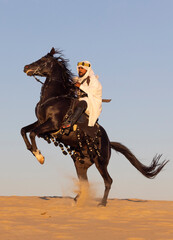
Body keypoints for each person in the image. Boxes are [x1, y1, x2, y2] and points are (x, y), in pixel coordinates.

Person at [62, 61, 102, 133]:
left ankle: (70, 123)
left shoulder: (93, 80)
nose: (80, 70)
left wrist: (80, 86)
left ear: (87, 70)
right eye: (79, 68)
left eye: (82, 68)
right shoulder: (77, 79)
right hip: (80, 99)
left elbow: (93, 91)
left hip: (91, 102)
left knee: (83, 102)